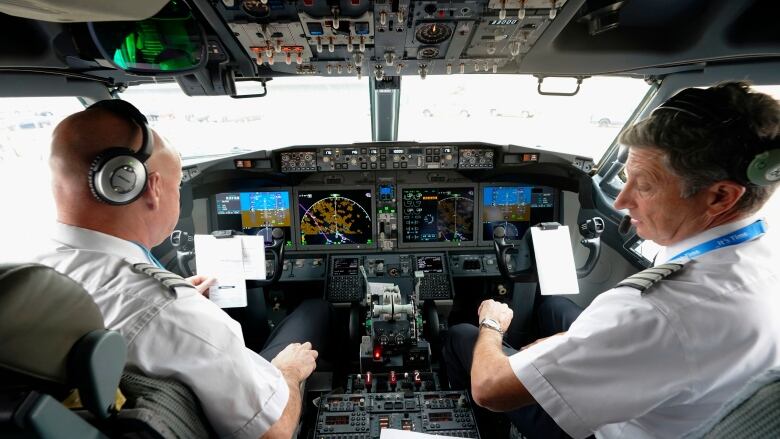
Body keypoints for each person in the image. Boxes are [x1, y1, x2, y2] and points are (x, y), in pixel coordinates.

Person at [443, 82, 780, 439]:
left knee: (462, 334)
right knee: (555, 305)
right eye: (624, 178)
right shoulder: (763, 256)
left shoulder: (656, 311)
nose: (621, 201)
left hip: (604, 431)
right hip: (679, 399)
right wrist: (571, 345)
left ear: (721, 197)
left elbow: (490, 387)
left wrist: (492, 324)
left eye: (645, 185)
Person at [34, 100, 332, 439]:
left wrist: (178, 295)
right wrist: (288, 372)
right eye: (178, 187)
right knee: (316, 308)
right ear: (152, 187)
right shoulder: (167, 309)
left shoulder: (30, 274)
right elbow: (273, 431)